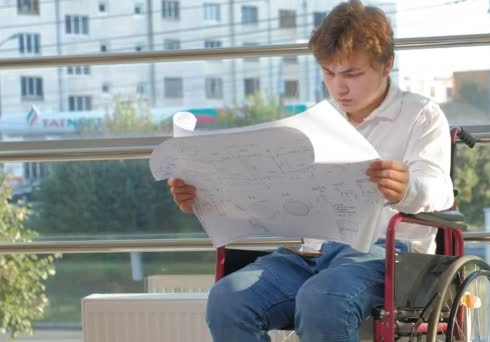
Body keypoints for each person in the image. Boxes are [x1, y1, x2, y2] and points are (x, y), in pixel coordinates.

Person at [168, 1, 453, 340]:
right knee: (228, 300)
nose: (338, 87)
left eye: (351, 74)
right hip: (309, 255)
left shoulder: (420, 114)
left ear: (386, 65)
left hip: (386, 257)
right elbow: (271, 195)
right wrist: (204, 197)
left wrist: (407, 188)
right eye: (328, 72)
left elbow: (439, 188)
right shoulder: (315, 122)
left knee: (321, 298)